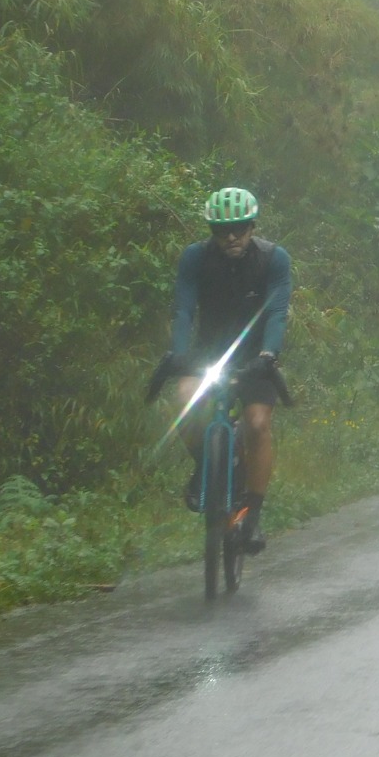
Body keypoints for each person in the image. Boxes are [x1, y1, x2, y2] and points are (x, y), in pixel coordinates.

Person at [167, 186, 291, 553]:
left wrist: (269, 354)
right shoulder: (195, 258)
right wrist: (178, 354)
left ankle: (251, 517)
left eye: (239, 228)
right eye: (222, 230)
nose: (231, 237)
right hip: (209, 353)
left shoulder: (274, 260)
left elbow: (277, 311)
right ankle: (207, 468)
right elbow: (184, 310)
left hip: (255, 356)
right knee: (185, 400)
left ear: (253, 227)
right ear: (211, 232)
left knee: (257, 423)